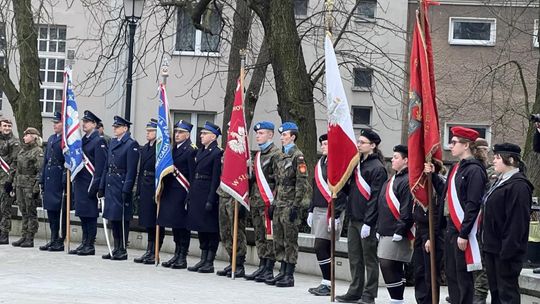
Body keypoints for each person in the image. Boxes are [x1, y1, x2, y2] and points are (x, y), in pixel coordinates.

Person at [427, 126, 487, 304]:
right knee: (451, 274)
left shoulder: (474, 170)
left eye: (454, 142)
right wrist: (433, 176)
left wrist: (464, 233)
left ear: (466, 145)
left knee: (462, 276)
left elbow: (473, 204)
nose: (450, 145)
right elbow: (446, 194)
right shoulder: (456, 167)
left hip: (462, 230)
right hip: (450, 227)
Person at [336, 129, 387, 304]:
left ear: (372, 146)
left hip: (368, 222)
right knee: (355, 258)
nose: (358, 145)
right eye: (358, 142)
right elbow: (347, 189)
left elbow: (375, 198)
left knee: (369, 260)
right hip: (353, 218)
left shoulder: (378, 168)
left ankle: (369, 294)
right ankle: (355, 290)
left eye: (362, 142)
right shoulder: (356, 164)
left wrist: (369, 221)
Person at [482, 143, 533, 304]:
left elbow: (517, 224)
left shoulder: (519, 186)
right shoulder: (499, 181)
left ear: (510, 159)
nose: (493, 161)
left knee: (507, 294)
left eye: (497, 158)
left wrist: (508, 251)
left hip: (506, 251)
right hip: (492, 247)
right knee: (496, 292)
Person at [269, 121, 311, 288]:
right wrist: (274, 201)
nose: (282, 138)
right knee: (278, 238)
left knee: (290, 240)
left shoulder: (297, 156)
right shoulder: (280, 156)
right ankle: (281, 271)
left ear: (293, 137)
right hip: (279, 203)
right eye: (282, 135)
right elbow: (278, 181)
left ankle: (289, 274)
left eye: (285, 135)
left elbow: (301, 183)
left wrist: (296, 205)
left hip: (290, 204)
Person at [307, 133, 347, 296]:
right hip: (318, 208)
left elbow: (342, 191)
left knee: (321, 246)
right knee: (324, 246)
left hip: (331, 210)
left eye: (326, 143)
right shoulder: (321, 162)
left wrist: (336, 215)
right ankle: (327, 282)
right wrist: (310, 209)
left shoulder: (338, 164)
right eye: (322, 143)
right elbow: (315, 186)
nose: (322, 146)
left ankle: (328, 282)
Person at [374, 145, 414, 304]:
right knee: (390, 265)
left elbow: (406, 207)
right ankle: (396, 299)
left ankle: (397, 299)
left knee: (388, 264)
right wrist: (378, 227)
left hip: (397, 230)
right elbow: (381, 204)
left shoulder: (406, 180)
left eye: (396, 157)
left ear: (406, 160)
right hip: (386, 229)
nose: (393, 159)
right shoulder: (393, 179)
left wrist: (401, 228)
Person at [245, 121, 281, 282]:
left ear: (270, 135)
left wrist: (275, 202)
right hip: (256, 201)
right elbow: (254, 179)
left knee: (269, 236)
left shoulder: (276, 154)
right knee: (259, 235)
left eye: (261, 133)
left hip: (268, 202)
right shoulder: (258, 155)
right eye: (257, 134)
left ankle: (269, 267)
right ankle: (262, 264)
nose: (258, 136)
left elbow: (279, 181)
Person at [158, 120, 196, 269]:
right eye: (176, 132)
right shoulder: (172, 149)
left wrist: (190, 196)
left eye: (180, 132)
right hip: (171, 192)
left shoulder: (191, 150)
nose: (177, 135)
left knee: (182, 226)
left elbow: (192, 175)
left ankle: (182, 256)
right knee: (174, 225)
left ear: (187, 134)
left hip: (182, 191)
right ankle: (176, 254)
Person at [100, 115, 139, 261]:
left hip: (121, 184)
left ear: (125, 128)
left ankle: (122, 249)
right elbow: (106, 166)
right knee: (113, 218)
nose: (115, 129)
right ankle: (116, 247)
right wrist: (102, 186)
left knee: (122, 219)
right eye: (114, 127)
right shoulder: (112, 143)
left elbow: (131, 170)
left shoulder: (131, 144)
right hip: (111, 183)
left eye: (117, 127)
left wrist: (126, 189)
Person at [186, 121, 222, 273]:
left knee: (210, 228)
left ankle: (209, 261)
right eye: (201, 133)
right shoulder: (200, 151)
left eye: (204, 133)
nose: (201, 135)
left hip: (208, 191)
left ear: (213, 137)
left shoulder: (216, 153)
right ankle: (202, 258)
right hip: (197, 191)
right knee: (200, 227)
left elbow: (215, 178)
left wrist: (211, 199)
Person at [71, 111, 107, 256]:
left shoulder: (99, 141)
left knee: (90, 215)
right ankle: (84, 242)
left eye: (87, 122)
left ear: (94, 124)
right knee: (82, 214)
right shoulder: (83, 140)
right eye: (83, 121)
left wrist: (97, 186)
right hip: (81, 182)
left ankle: (90, 244)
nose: (83, 124)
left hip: (90, 183)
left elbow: (100, 166)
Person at [133, 119, 164, 264]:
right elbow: (141, 171)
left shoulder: (160, 149)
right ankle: (149, 249)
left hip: (154, 186)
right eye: (147, 131)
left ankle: (155, 251)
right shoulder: (145, 148)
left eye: (151, 131)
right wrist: (138, 190)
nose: (148, 133)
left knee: (155, 221)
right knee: (147, 221)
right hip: (145, 186)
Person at [414, 165, 446, 304]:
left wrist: (430, 236)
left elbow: (437, 215)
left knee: (430, 274)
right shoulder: (420, 183)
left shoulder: (437, 185)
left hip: (432, 233)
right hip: (421, 231)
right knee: (420, 271)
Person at [10, 128, 43, 248]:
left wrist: (36, 189)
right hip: (20, 184)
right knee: (23, 211)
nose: (25, 137)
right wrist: (14, 184)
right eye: (25, 135)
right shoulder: (22, 151)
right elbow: (17, 169)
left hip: (30, 186)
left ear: (34, 137)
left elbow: (40, 171)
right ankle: (24, 236)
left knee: (31, 212)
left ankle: (30, 237)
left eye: (27, 135)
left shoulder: (37, 151)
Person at [39, 112, 67, 252]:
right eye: (54, 123)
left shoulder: (66, 140)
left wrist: (64, 179)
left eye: (57, 123)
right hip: (50, 178)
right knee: (51, 211)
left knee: (59, 211)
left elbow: (67, 162)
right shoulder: (51, 139)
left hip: (58, 178)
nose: (55, 125)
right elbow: (45, 161)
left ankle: (59, 240)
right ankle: (53, 238)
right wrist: (42, 178)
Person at [216, 187, 247, 278]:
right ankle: (232, 261)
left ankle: (239, 264)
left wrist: (242, 203)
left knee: (237, 232)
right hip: (224, 193)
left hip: (236, 196)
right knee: (225, 231)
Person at [0, 119, 20, 245]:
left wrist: (9, 180)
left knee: (5, 208)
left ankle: (4, 234)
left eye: (9, 126)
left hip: (5, 179)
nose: (7, 128)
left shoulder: (15, 142)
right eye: (4, 125)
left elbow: (14, 163)